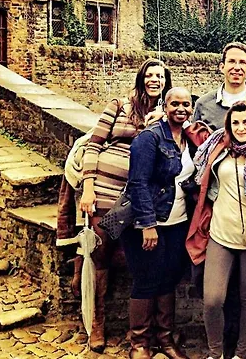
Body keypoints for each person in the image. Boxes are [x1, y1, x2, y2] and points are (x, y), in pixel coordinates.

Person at [78, 58, 172, 352]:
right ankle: (98, 320)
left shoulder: (166, 115)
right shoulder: (120, 106)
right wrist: (89, 187)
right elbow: (93, 144)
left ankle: (148, 332)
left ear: (166, 83)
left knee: (142, 257)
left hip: (138, 195)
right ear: (141, 78)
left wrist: (160, 124)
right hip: (106, 189)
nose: (154, 80)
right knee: (100, 251)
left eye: (160, 76)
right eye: (150, 75)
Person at [186, 101, 246, 359]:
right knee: (213, 299)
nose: (241, 127)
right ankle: (215, 353)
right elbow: (194, 138)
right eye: (235, 122)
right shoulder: (220, 148)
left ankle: (240, 353)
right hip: (221, 233)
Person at [122, 87, 196, 359]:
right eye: (175, 104)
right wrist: (148, 224)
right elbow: (138, 183)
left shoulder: (189, 139)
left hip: (178, 222)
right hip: (148, 224)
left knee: (169, 279)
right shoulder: (149, 138)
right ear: (165, 107)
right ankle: (139, 342)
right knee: (146, 279)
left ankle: (165, 339)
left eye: (186, 104)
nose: (181, 109)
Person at [194, 41, 246, 130]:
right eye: (231, 61)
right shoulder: (203, 104)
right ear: (222, 67)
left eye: (242, 62)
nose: (237, 67)